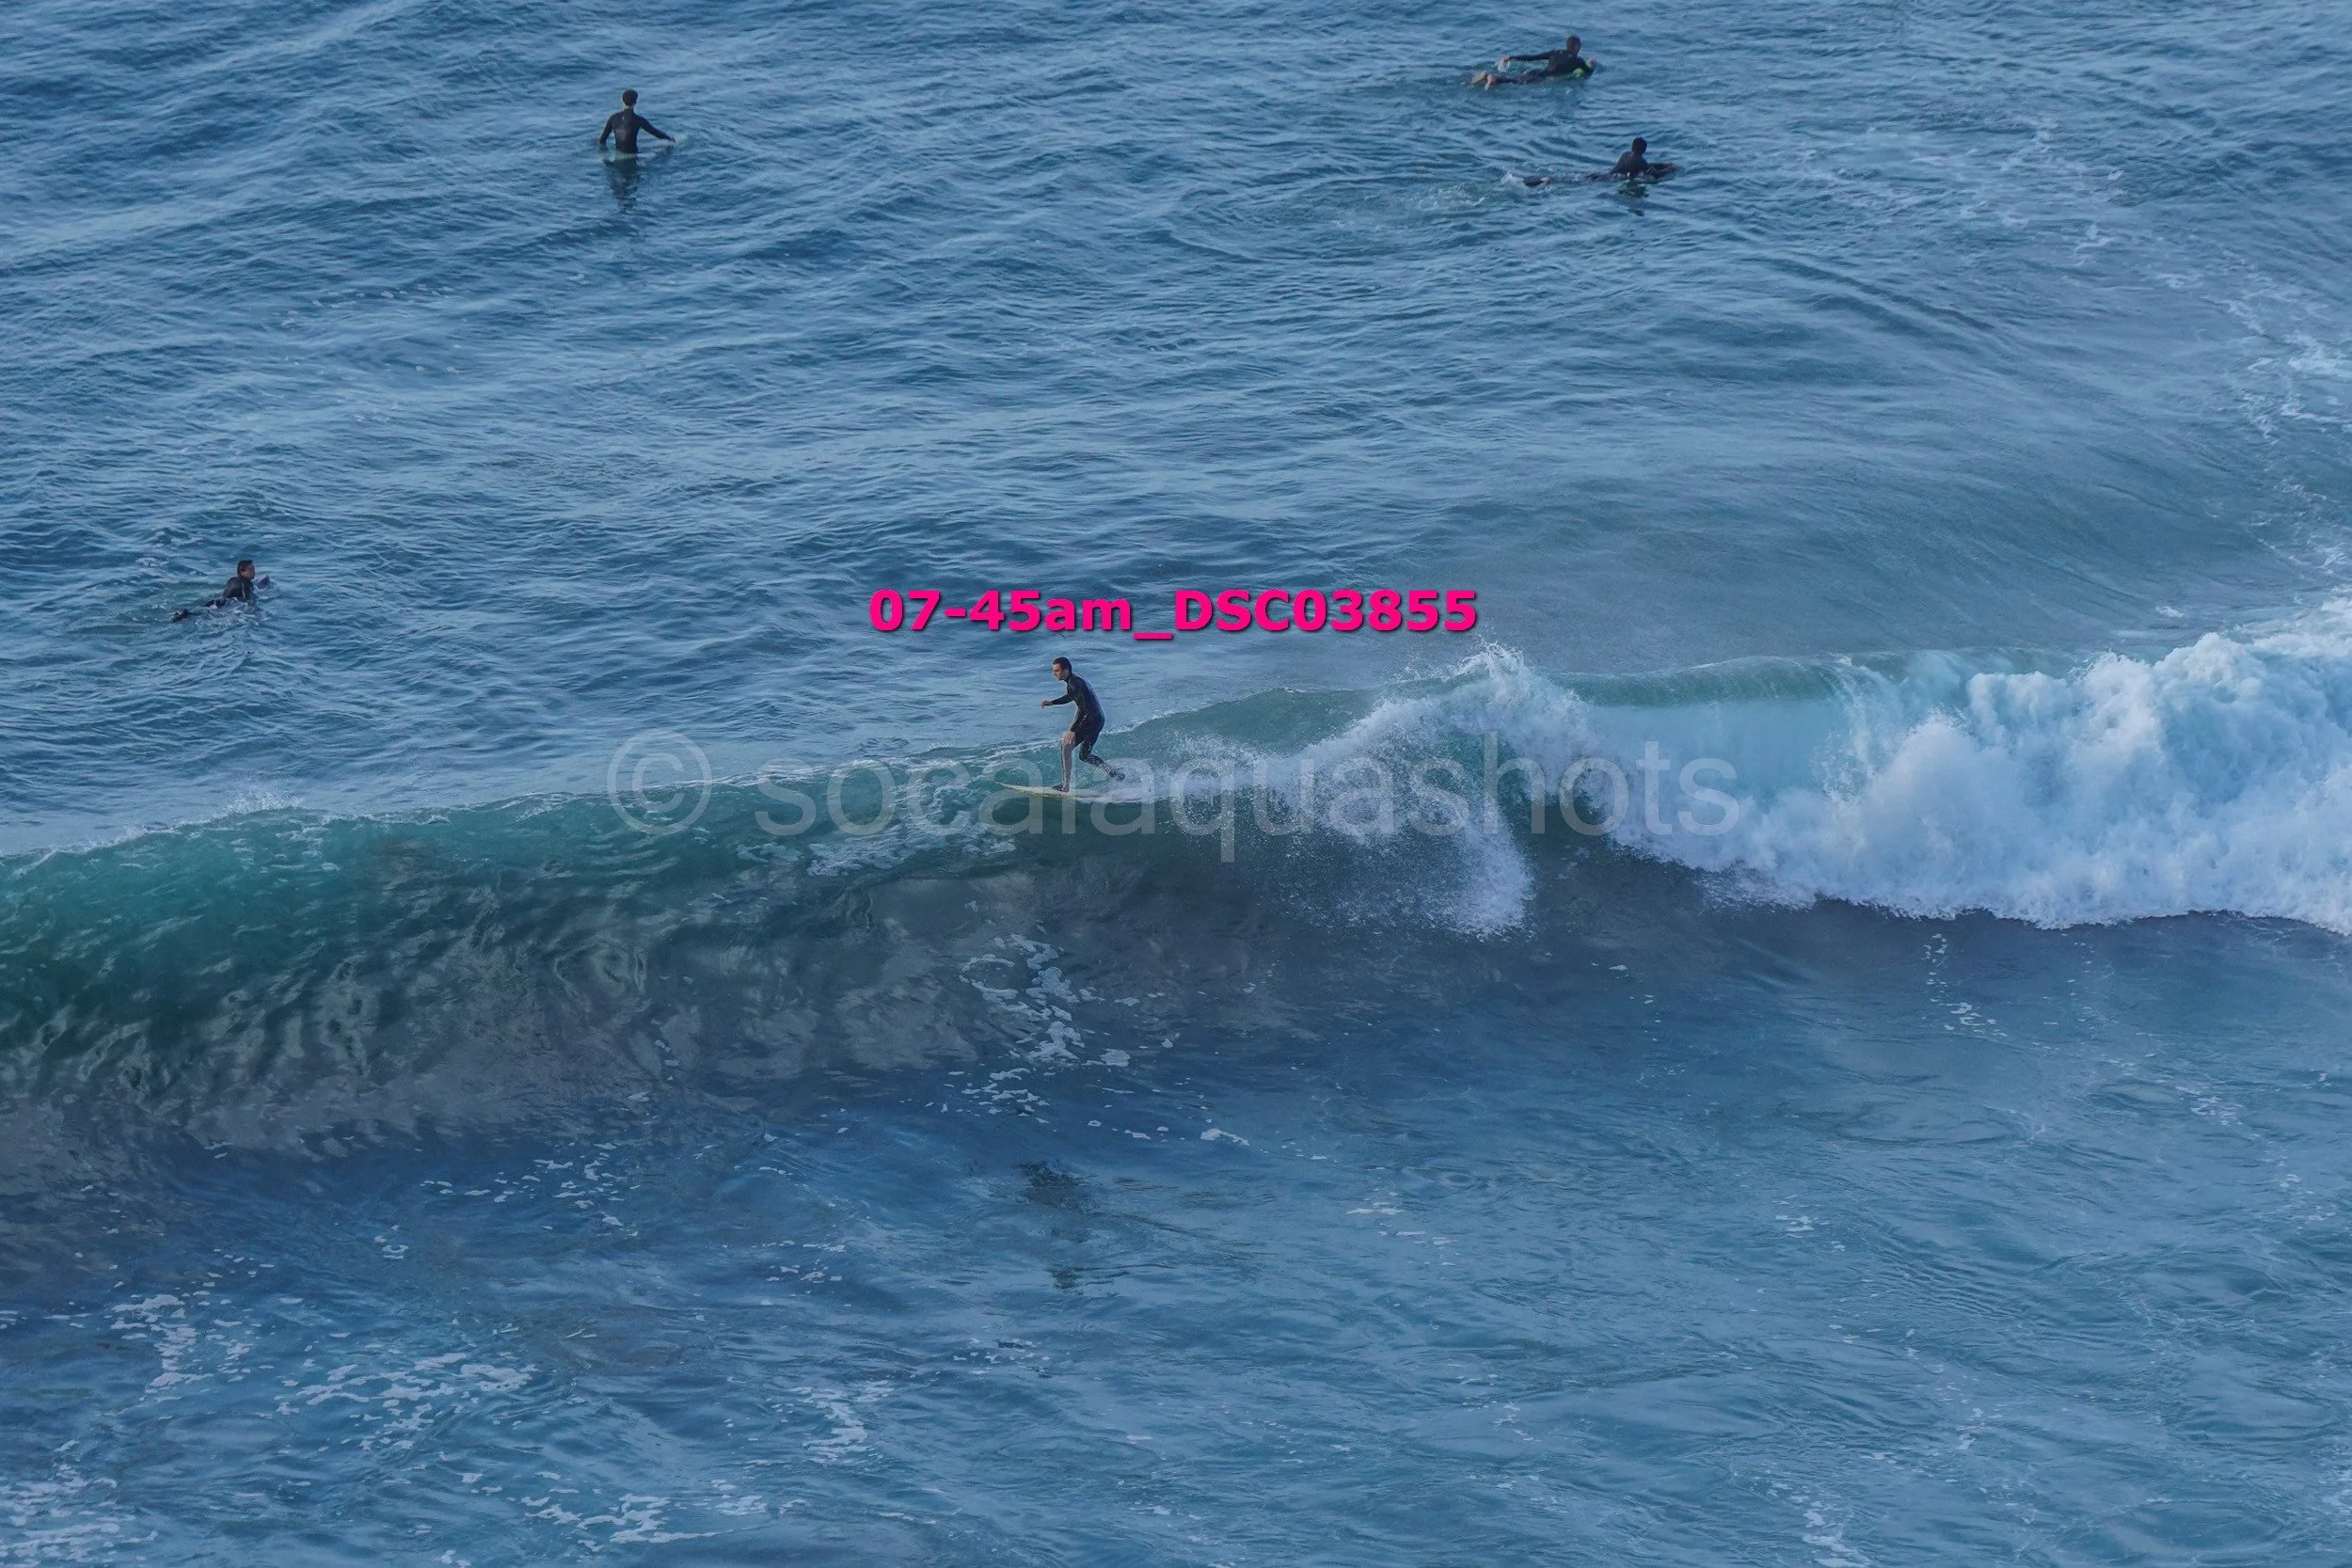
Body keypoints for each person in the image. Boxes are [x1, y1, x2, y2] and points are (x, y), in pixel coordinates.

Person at [1039, 657, 1124, 793]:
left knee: (1066, 747)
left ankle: (1065, 786)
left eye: (1057, 671)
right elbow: (1071, 696)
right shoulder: (1075, 680)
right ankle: (1115, 774)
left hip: (1090, 720)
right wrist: (1052, 702)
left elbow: (1083, 709)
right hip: (1098, 719)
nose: (1054, 674)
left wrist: (1072, 730)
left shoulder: (1074, 683)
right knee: (1084, 756)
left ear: (1066, 670)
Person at [1473, 34, 1594, 88]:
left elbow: (1532, 57)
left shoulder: (1555, 52)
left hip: (1535, 71)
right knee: (1513, 82)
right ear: (1577, 47)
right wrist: (1592, 64)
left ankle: (1490, 77)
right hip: (1541, 78)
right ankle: (1492, 78)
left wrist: (1511, 57)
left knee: (1515, 78)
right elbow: (1588, 72)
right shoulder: (1578, 61)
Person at [172, 560, 267, 622]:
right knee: (203, 614)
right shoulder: (245, 584)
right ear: (242, 572)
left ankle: (184, 613)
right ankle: (186, 614)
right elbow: (247, 601)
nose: (254, 571)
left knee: (202, 610)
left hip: (218, 600)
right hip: (226, 604)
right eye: (251, 569)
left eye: (254, 568)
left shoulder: (232, 579)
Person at [599, 90, 674, 156]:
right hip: (632, 155)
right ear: (635, 102)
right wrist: (669, 138)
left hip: (618, 154)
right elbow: (654, 132)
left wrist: (604, 155)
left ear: (622, 100)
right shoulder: (639, 120)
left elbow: (602, 140)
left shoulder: (613, 117)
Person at [1601, 137, 1677, 180]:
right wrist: (1670, 169)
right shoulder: (1639, 161)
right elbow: (1657, 174)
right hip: (1611, 180)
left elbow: (1647, 166)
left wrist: (1661, 164)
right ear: (1644, 150)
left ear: (1632, 147)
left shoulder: (1626, 154)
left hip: (1605, 176)